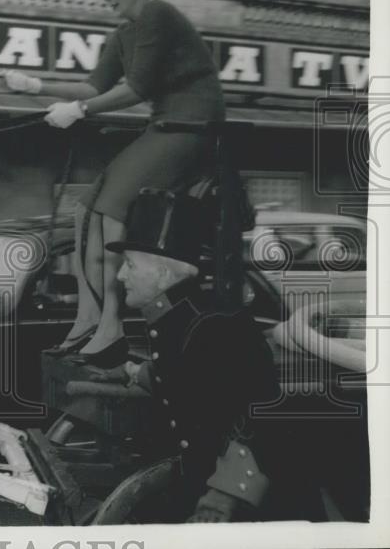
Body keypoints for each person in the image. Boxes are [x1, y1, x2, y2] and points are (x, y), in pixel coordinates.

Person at [3, 0, 225, 367]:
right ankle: (88, 319)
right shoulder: (124, 34)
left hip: (192, 128)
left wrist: (80, 111)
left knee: (109, 214)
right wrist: (34, 87)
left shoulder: (159, 15)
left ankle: (111, 326)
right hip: (164, 126)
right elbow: (93, 88)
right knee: (86, 212)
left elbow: (135, 90)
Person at [94, 189, 322, 522]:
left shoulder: (217, 327)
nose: (120, 275)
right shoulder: (181, 318)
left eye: (129, 264)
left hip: (258, 513)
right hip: (198, 481)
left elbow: (259, 417)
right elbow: (190, 382)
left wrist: (222, 497)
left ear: (164, 272)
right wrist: (133, 371)